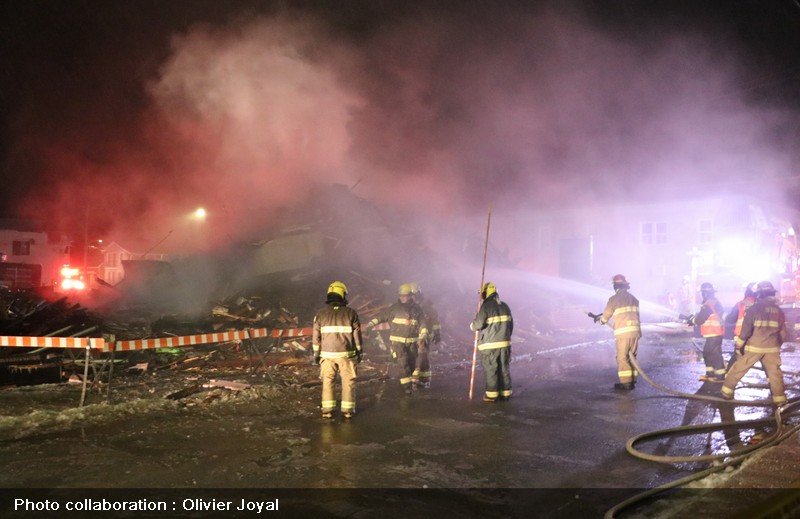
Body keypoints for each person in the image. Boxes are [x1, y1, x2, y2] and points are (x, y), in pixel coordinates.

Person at [721, 281, 787, 406]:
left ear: (759, 294)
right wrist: (777, 345)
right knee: (775, 373)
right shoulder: (779, 311)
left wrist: (739, 345)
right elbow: (783, 333)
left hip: (755, 347)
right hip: (772, 348)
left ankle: (727, 392)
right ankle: (780, 400)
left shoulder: (754, 309)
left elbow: (745, 331)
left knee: (739, 368)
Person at [312, 281, 363, 419]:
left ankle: (327, 410)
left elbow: (316, 336)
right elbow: (356, 335)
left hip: (327, 355)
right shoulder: (351, 313)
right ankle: (347, 411)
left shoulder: (320, 314)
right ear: (342, 295)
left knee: (328, 381)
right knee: (348, 382)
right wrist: (359, 351)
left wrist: (316, 353)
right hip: (347, 355)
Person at [366, 283, 426, 395]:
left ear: (411, 296)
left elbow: (422, 323)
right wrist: (370, 325)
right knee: (403, 364)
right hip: (398, 343)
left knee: (412, 364)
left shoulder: (417, 309)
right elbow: (380, 317)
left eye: (405, 295)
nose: (402, 297)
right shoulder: (394, 308)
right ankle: (407, 388)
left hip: (412, 343)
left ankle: (408, 385)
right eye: (401, 295)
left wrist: (423, 334)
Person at [594, 274, 641, 390]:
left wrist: (600, 321)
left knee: (622, 357)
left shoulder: (613, 300)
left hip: (623, 333)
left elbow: (605, 317)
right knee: (632, 356)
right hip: (635, 332)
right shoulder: (634, 299)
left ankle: (625, 382)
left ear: (615, 286)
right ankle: (633, 381)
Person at [471, 282, 513, 402]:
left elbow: (477, 325)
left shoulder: (486, 307)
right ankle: (506, 393)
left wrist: (472, 324)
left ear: (486, 293)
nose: (481, 296)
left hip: (490, 345)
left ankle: (492, 395)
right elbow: (511, 326)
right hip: (505, 344)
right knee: (504, 368)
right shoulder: (505, 306)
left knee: (491, 369)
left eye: (482, 294)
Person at [686, 282, 726, 383]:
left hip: (714, 333)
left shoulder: (708, 304)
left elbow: (701, 319)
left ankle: (720, 376)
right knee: (707, 353)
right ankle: (710, 374)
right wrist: (693, 318)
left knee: (714, 354)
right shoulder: (713, 302)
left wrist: (693, 321)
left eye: (702, 292)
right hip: (715, 333)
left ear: (704, 293)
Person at [409, 281, 440, 389]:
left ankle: (418, 377)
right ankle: (423, 378)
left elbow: (434, 318)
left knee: (421, 354)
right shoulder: (410, 305)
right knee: (420, 355)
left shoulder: (426, 303)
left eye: (412, 295)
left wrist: (436, 332)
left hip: (425, 333)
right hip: (413, 334)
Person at [724, 282, 757, 371]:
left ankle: (728, 375)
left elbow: (731, 319)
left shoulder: (740, 304)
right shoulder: (762, 305)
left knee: (737, 356)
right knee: (764, 358)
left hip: (741, 336)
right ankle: (771, 379)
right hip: (757, 336)